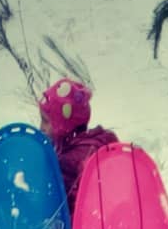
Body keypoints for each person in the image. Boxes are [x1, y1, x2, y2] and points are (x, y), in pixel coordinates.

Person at [38, 77, 117, 214]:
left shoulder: (69, 162)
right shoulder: (98, 143)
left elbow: (55, 208)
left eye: (46, 121)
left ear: (63, 126)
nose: (41, 127)